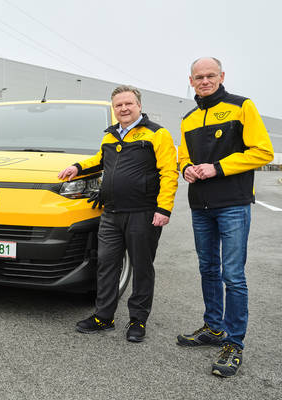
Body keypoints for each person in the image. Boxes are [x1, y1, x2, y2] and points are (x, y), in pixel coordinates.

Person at [177, 57, 273, 377]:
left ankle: (234, 343)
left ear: (221, 76)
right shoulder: (188, 119)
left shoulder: (242, 106)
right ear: (191, 81)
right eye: (199, 77)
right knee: (208, 269)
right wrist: (185, 168)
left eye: (210, 75)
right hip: (200, 205)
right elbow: (183, 156)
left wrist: (217, 168)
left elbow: (262, 151)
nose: (205, 81)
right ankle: (213, 328)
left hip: (233, 203)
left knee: (233, 275)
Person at [58, 85, 178, 342]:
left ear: (139, 106)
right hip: (111, 213)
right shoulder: (110, 136)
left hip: (143, 213)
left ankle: (138, 320)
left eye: (128, 104)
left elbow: (169, 173)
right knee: (107, 265)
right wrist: (77, 167)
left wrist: (164, 208)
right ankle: (104, 317)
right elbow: (100, 160)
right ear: (114, 109)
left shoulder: (157, 134)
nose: (123, 108)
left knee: (142, 268)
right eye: (118, 105)